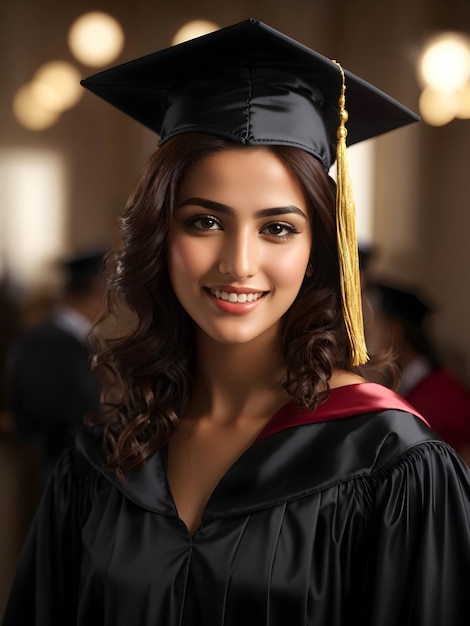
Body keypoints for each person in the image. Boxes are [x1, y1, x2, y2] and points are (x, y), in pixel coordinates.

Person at [3, 19, 470, 625]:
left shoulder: (392, 463)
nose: (239, 264)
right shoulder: (106, 456)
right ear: (160, 236)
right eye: (205, 221)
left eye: (277, 228)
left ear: (317, 253)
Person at [7, 250, 105, 485]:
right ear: (95, 293)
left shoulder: (77, 342)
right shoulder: (49, 344)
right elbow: (42, 412)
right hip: (64, 470)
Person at [370, 281, 470, 464]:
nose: (371, 338)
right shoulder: (406, 384)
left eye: (375, 326)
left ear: (394, 332)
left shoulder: (442, 393)